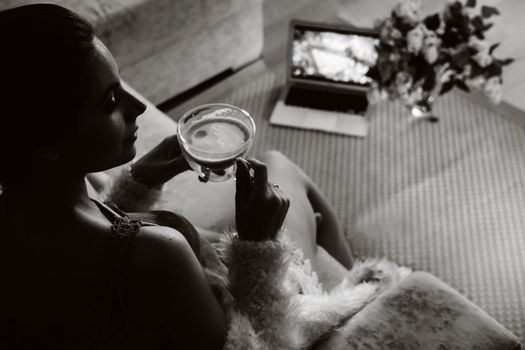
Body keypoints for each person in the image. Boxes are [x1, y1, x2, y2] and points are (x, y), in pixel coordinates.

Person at [0, 3, 372, 349]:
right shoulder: (160, 256)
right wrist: (258, 249)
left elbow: (85, 267)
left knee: (282, 173)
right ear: (47, 144)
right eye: (111, 101)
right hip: (265, 318)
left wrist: (138, 183)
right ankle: (366, 303)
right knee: (283, 170)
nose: (139, 106)